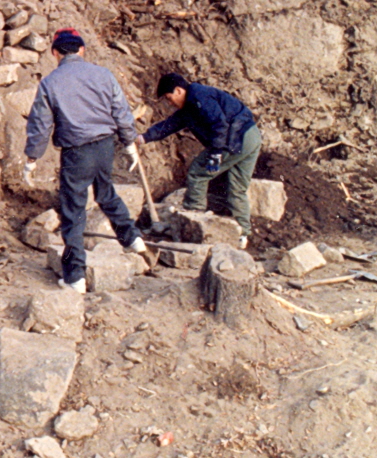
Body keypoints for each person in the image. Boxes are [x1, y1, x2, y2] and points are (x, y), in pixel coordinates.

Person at [24, 28, 148, 293]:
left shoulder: (50, 83)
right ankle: (132, 239)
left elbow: (40, 125)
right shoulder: (103, 74)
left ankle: (74, 276)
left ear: (55, 53)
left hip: (76, 152)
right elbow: (122, 112)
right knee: (106, 193)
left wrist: (32, 158)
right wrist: (129, 144)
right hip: (105, 147)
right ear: (82, 49)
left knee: (73, 212)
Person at [140, 73, 261, 250]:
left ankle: (192, 220)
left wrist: (216, 153)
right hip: (251, 135)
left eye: (169, 98)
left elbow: (219, 124)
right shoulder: (190, 106)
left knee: (198, 173)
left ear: (179, 90)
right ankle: (242, 234)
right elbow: (170, 125)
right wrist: (143, 138)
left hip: (236, 137)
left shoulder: (199, 97)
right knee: (237, 187)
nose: (169, 103)